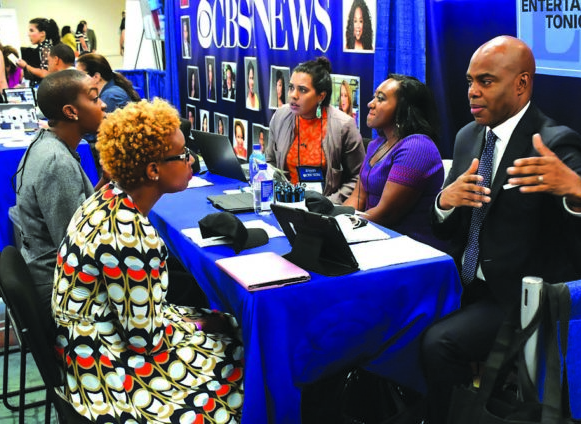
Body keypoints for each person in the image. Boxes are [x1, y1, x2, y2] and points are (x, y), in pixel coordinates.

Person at [419, 36, 581, 424]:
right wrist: (446, 202)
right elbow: (445, 229)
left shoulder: (553, 142)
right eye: (469, 81)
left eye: (486, 81)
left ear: (521, 84)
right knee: (396, 318)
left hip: (517, 298)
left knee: (438, 345)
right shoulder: (467, 137)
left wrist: (577, 191)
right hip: (463, 283)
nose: (473, 92)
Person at [52, 98, 245, 422]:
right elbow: (145, 340)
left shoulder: (106, 197)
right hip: (105, 369)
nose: (192, 161)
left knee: (226, 327)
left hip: (86, 344)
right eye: (184, 156)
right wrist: (198, 323)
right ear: (153, 170)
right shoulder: (131, 236)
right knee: (241, 359)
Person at [12, 69, 107, 313]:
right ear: (71, 112)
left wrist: (104, 184)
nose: (103, 104)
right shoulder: (56, 162)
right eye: (94, 98)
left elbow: (77, 211)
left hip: (54, 276)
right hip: (63, 291)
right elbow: (77, 248)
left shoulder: (45, 141)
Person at [342, 74, 445, 248]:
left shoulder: (417, 147)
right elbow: (357, 199)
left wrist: (340, 228)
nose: (370, 103)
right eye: (374, 96)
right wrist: (332, 218)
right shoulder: (376, 145)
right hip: (372, 236)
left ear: (403, 109)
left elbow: (386, 215)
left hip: (409, 249)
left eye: (380, 99)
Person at [266, 56, 365, 204]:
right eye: (291, 87)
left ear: (321, 96)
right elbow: (270, 163)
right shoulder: (280, 117)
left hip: (326, 208)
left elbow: (358, 178)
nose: (293, 95)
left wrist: (329, 203)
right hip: (285, 203)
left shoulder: (343, 125)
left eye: (302, 90)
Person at [76, 53, 141, 113]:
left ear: (96, 77)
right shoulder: (111, 90)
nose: (76, 79)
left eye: (79, 75)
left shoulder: (110, 96)